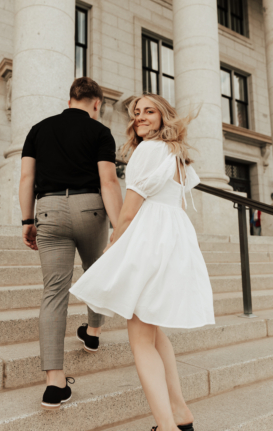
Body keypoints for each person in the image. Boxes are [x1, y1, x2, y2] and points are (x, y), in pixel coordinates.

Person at [70, 94, 215, 431]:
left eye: (149, 111)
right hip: (173, 237)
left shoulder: (148, 151)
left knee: (139, 340)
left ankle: (166, 426)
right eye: (136, 113)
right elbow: (176, 204)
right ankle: (180, 415)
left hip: (150, 239)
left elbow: (131, 207)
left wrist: (113, 244)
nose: (141, 118)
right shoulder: (177, 154)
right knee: (153, 330)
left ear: (164, 115)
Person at [19, 77, 123, 409]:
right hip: (91, 207)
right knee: (96, 273)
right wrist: (120, 227)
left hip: (48, 209)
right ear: (97, 103)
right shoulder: (100, 132)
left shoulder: (38, 130)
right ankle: (92, 333)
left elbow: (26, 178)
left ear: (70, 100)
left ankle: (54, 382)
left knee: (53, 292)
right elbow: (108, 181)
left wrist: (26, 220)